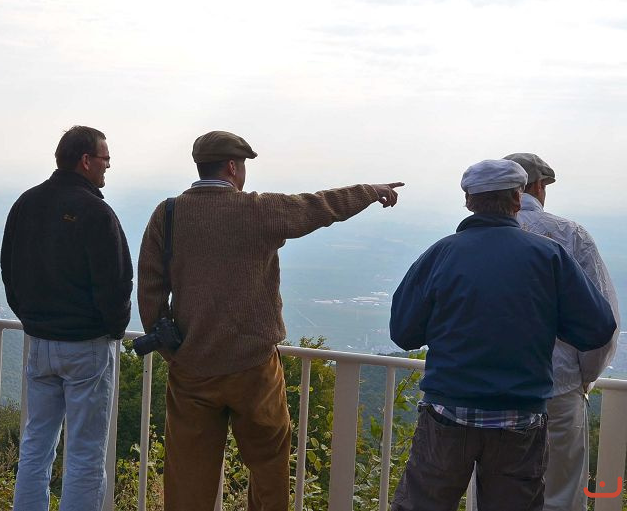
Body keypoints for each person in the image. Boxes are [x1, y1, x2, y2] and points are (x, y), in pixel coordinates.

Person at [137, 130, 404, 510]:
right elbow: (318, 206)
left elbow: (150, 289)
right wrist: (369, 191)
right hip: (254, 370)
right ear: (233, 167)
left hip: (192, 371)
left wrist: (171, 350)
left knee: (188, 476)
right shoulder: (257, 209)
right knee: (268, 469)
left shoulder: (167, 214)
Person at [388, 159, 616, 511]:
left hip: (448, 413)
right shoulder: (549, 255)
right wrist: (547, 322)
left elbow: (404, 333)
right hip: (520, 419)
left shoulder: (441, 254)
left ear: (468, 201)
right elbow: (597, 328)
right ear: (516, 198)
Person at [1, 125, 132, 511]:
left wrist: (32, 319)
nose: (108, 166)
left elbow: (9, 270)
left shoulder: (26, 203)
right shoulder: (97, 212)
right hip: (87, 346)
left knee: (36, 445)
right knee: (86, 454)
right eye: (105, 159)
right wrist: (113, 329)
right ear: (86, 160)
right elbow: (115, 283)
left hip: (40, 343)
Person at [502, 152, 620, 511]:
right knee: (561, 495)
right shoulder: (571, 235)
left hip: (491, 392)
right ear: (539, 186)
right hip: (558, 386)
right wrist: (583, 376)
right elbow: (603, 321)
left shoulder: (478, 239)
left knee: (496, 494)